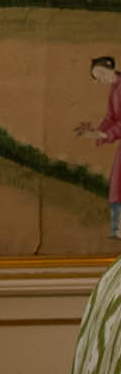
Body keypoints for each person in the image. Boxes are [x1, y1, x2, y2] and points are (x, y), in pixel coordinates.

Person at [73, 55, 121, 240]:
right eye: (97, 77)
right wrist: (97, 131)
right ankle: (117, 230)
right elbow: (111, 117)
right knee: (117, 186)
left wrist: (104, 134)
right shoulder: (114, 88)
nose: (100, 79)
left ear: (110, 67)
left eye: (101, 74)